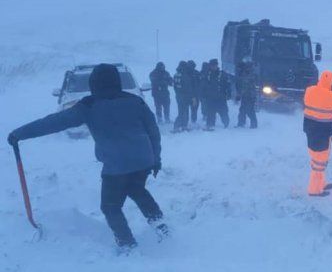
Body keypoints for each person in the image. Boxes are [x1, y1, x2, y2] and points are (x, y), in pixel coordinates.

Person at [6, 64, 167, 251]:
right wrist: (156, 158)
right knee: (136, 190)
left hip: (117, 166)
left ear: (94, 83)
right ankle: (162, 228)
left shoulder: (89, 106)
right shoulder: (136, 101)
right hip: (143, 160)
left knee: (110, 207)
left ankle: (127, 245)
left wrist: (20, 134)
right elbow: (153, 131)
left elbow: (53, 123)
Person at [302, 70, 332, 197]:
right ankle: (314, 190)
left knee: (316, 159)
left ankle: (321, 183)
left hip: (311, 131)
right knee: (320, 163)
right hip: (323, 134)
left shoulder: (310, 90)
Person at [202, 59, 230, 130]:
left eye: (215, 65)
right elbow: (203, 85)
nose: (213, 67)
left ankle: (226, 124)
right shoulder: (207, 74)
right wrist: (203, 94)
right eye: (212, 65)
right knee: (210, 112)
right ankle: (210, 125)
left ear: (217, 65)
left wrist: (228, 93)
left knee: (223, 112)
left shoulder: (222, 74)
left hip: (221, 98)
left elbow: (227, 85)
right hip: (210, 98)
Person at [172, 61, 194, 132]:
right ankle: (178, 126)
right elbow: (188, 87)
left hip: (179, 96)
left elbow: (174, 86)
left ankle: (183, 125)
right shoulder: (185, 75)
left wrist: (178, 93)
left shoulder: (176, 74)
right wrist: (191, 97)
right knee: (184, 111)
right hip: (185, 96)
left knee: (181, 111)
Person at [235, 60, 258, 128]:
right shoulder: (245, 73)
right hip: (246, 95)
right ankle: (241, 123)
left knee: (249, 110)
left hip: (250, 95)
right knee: (243, 109)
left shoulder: (249, 73)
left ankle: (253, 124)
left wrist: (240, 94)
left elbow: (246, 85)